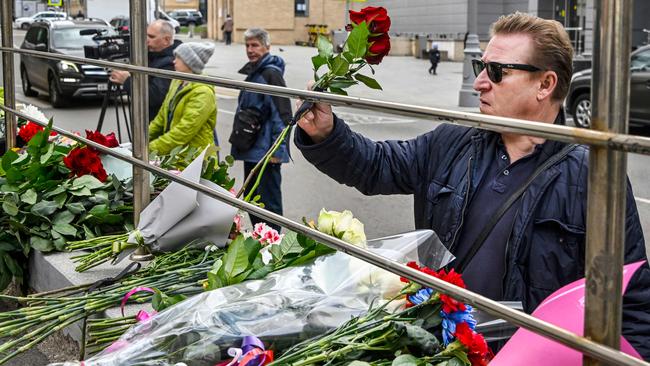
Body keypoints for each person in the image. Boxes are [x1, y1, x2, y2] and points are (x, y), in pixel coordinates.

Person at [294, 12, 649, 358]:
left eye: (497, 72)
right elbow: (377, 165)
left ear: (545, 84)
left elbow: (630, 302)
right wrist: (327, 133)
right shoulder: (453, 140)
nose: (479, 82)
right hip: (443, 348)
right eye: (481, 68)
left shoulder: (593, 177)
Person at [231, 28, 292, 232]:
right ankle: (260, 243)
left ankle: (273, 248)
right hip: (252, 149)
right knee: (253, 200)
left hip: (265, 152)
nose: (250, 50)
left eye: (255, 45)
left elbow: (282, 116)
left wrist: (277, 152)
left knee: (269, 205)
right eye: (247, 45)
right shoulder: (255, 72)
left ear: (267, 47)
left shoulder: (270, 74)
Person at [148, 42, 216, 155]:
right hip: (176, 155)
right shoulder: (177, 81)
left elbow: (184, 131)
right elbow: (161, 118)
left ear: (190, 62)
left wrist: (151, 148)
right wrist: (142, 139)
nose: (174, 61)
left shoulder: (203, 92)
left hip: (195, 160)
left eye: (178, 57)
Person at [109, 20, 182, 123]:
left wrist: (127, 81)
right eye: (146, 35)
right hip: (148, 121)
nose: (146, 40)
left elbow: (154, 97)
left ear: (166, 40)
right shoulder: (150, 55)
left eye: (151, 37)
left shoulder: (171, 63)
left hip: (158, 124)